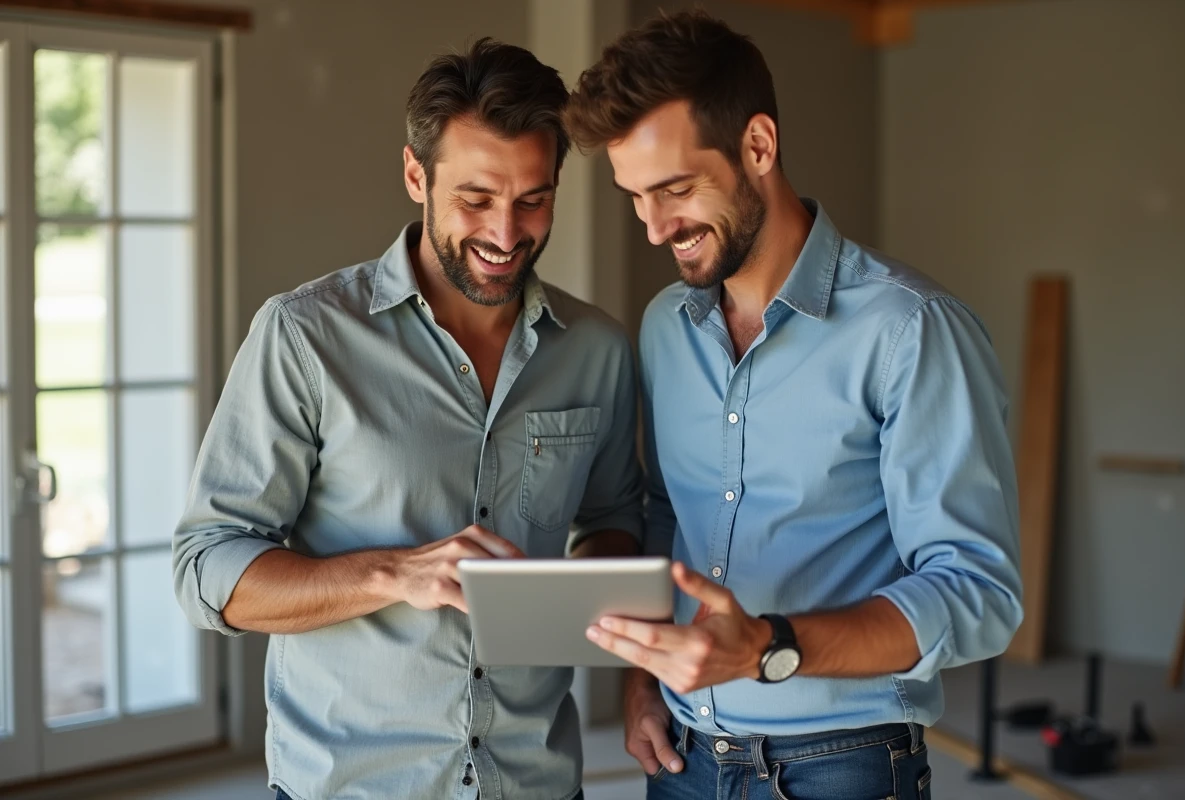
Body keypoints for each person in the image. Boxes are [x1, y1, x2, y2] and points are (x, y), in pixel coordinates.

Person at [563, 10, 1023, 799]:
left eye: (675, 190)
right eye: (635, 197)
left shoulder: (910, 330)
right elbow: (670, 515)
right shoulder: (667, 328)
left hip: (842, 765)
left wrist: (768, 646)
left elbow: (978, 590)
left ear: (758, 146)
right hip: (681, 757)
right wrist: (642, 684)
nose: (655, 228)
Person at [172, 38, 642, 800]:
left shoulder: (598, 350)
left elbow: (614, 519)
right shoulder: (305, 336)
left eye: (533, 200)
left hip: (536, 782)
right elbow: (206, 570)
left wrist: (583, 599)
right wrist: (393, 573)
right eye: (476, 199)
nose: (506, 234)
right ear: (416, 175)